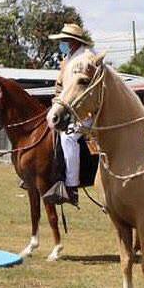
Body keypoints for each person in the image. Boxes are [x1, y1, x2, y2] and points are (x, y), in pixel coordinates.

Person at [46, 23, 96, 206]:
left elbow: (85, 88)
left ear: (74, 41)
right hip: (66, 110)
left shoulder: (87, 58)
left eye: (65, 40)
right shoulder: (66, 60)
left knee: (68, 138)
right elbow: (60, 87)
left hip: (86, 112)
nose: (62, 44)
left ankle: (72, 186)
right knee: (47, 129)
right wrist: (55, 105)